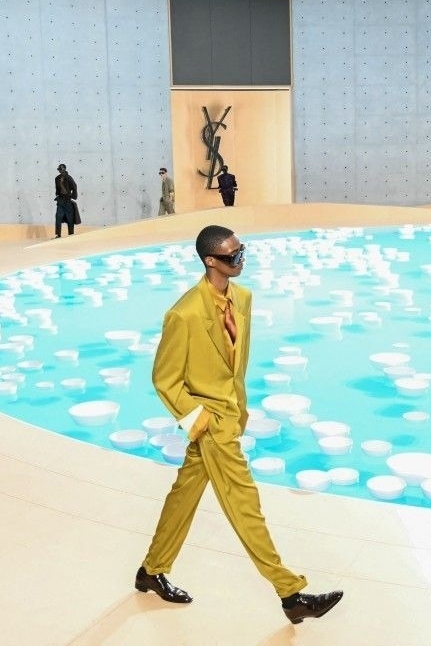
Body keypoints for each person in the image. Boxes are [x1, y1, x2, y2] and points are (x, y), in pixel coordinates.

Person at [137, 224, 344, 624]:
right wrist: (202, 421)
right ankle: (290, 594)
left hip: (231, 416)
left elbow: (235, 365)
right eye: (232, 256)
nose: (240, 259)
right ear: (210, 261)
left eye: (242, 251)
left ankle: (151, 570)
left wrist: (240, 409)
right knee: (245, 505)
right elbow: (165, 379)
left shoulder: (242, 298)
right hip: (212, 425)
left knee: (183, 497)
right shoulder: (184, 314)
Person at [53, 163, 78, 238]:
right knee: (58, 217)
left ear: (64, 169)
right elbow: (57, 188)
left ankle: (71, 234)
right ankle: (58, 234)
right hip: (60, 200)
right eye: (59, 169)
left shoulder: (69, 178)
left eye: (61, 169)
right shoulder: (57, 178)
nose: (59, 170)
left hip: (68, 200)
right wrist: (57, 195)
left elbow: (74, 187)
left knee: (70, 218)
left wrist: (72, 197)